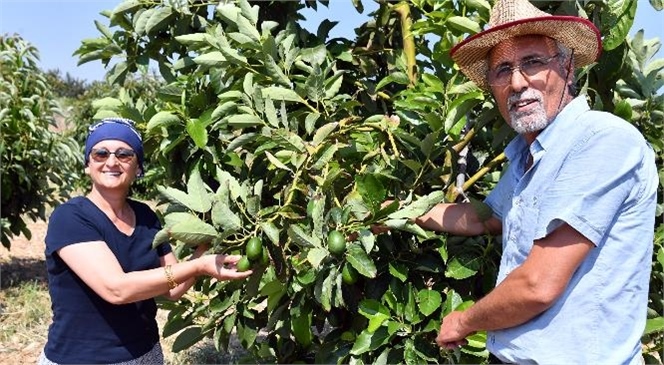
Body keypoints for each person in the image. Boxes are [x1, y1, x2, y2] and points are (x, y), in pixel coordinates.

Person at [415, 0, 658, 363]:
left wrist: (464, 322)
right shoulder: (525, 156)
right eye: (502, 70)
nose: (516, 82)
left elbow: (537, 286)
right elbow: (488, 217)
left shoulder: (603, 141)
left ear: (568, 68)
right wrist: (410, 214)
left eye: (532, 63)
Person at [39, 117, 252, 365]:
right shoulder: (70, 217)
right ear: (88, 164)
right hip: (81, 359)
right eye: (100, 153)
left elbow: (173, 287)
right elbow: (116, 289)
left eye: (124, 154)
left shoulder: (145, 216)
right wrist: (197, 266)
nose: (111, 161)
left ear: (138, 167)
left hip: (145, 354)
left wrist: (205, 249)